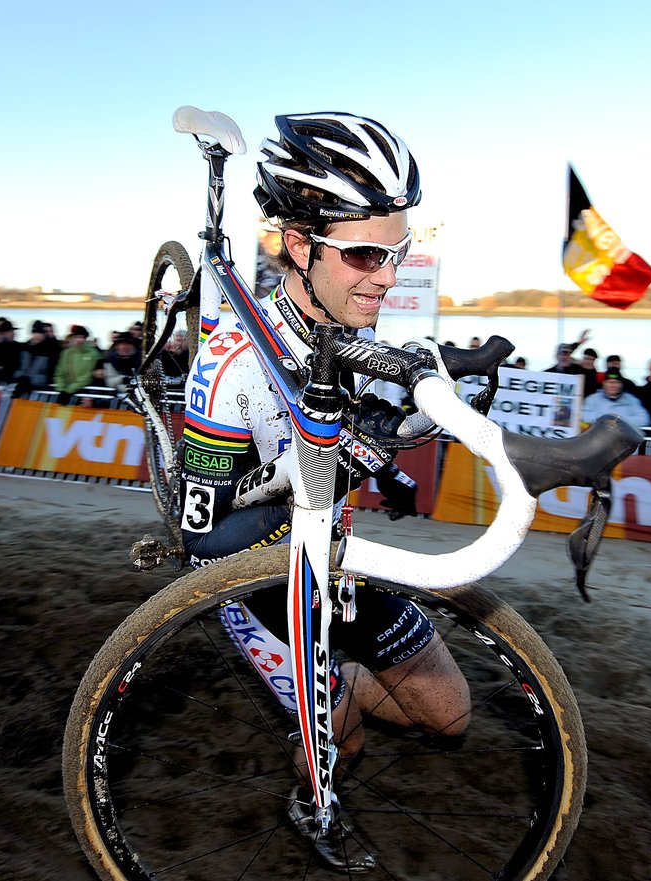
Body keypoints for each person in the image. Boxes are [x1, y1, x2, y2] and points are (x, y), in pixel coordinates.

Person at [177, 112, 467, 871]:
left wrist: (389, 467)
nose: (389, 275)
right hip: (257, 580)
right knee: (344, 735)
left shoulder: (350, 326)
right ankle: (314, 791)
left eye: (399, 250)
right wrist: (351, 464)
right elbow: (202, 536)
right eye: (367, 253)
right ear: (299, 245)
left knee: (451, 716)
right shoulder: (232, 366)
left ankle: (341, 678)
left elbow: (353, 438)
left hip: (331, 565)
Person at [581, 370, 651, 428]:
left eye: (616, 382)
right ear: (604, 384)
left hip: (624, 438)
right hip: (598, 437)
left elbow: (644, 419)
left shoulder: (632, 400)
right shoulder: (592, 399)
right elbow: (583, 415)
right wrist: (606, 420)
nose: (613, 385)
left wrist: (618, 421)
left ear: (621, 384)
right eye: (610, 382)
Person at [53, 325, 103, 404]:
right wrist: (61, 389)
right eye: (77, 337)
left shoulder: (93, 353)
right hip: (65, 394)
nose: (80, 340)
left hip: (85, 394)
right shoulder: (66, 353)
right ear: (73, 338)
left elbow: (89, 375)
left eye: (82, 337)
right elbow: (59, 373)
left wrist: (69, 390)